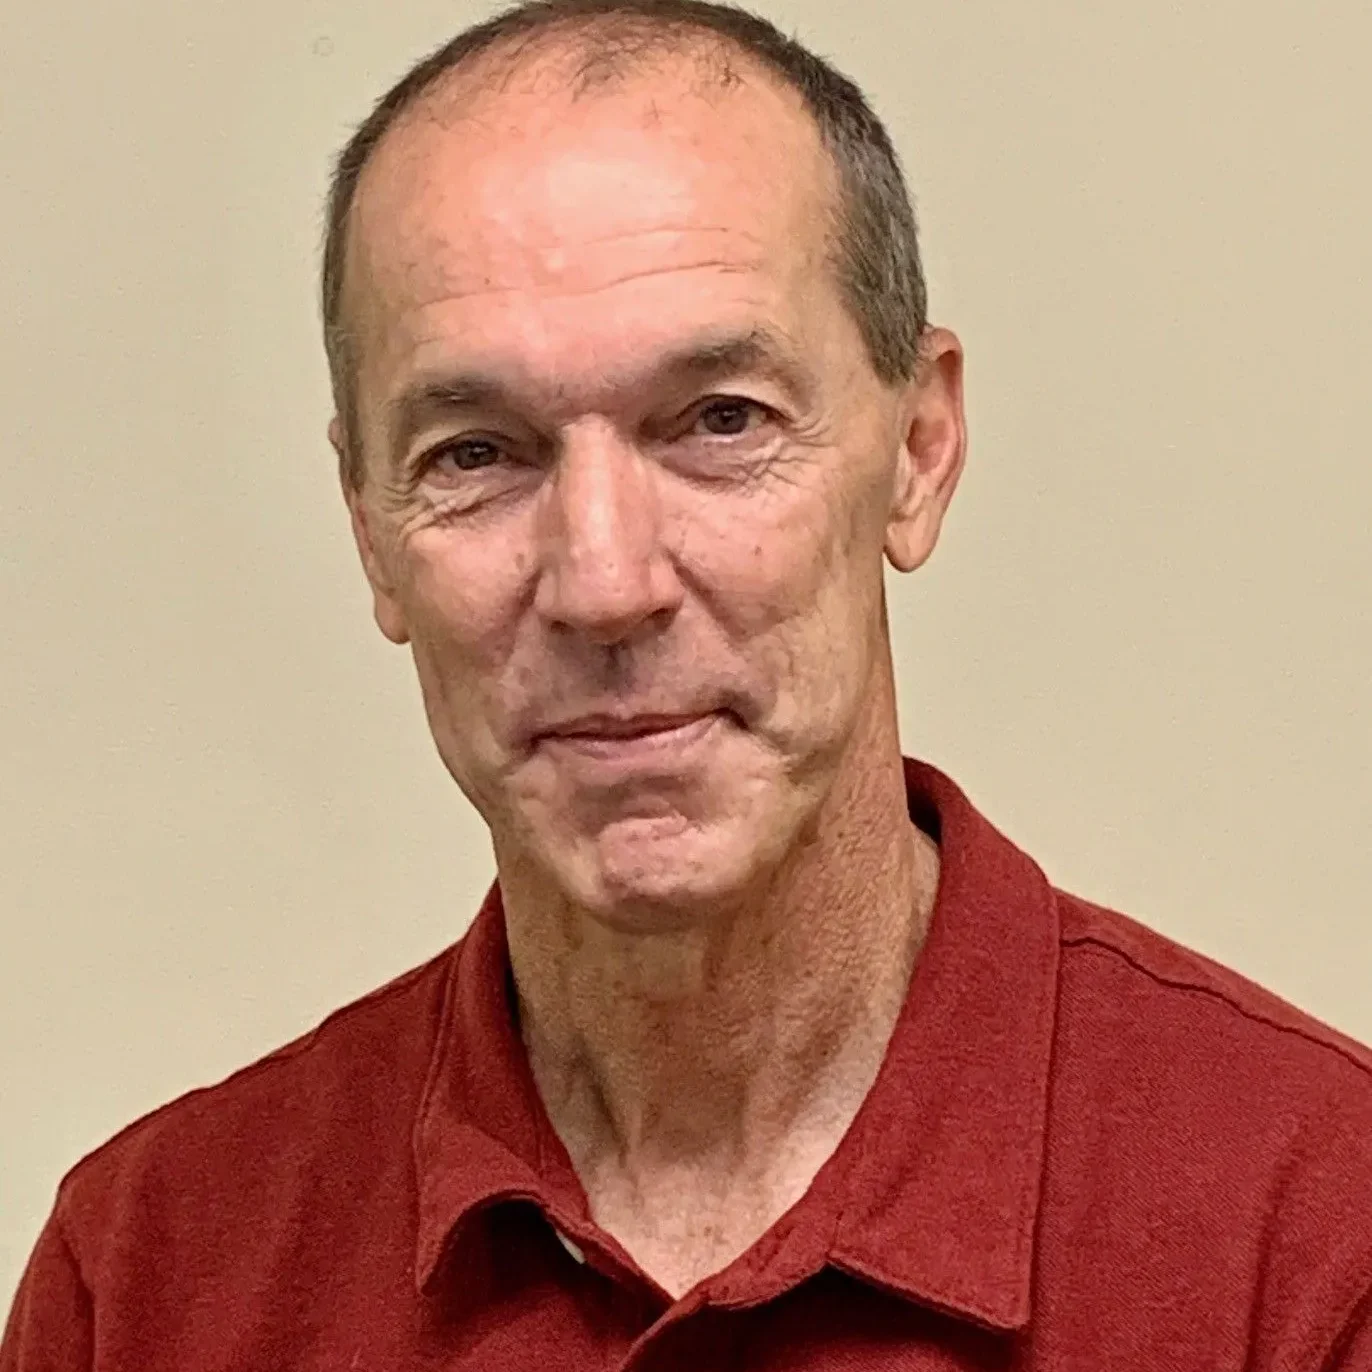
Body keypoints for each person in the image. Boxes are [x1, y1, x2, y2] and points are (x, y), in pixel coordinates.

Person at [5, 0, 1371, 1367]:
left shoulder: (1313, 1239)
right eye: (477, 453)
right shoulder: (146, 1276)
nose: (605, 581)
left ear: (920, 447)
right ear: (370, 529)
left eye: (721, 421)